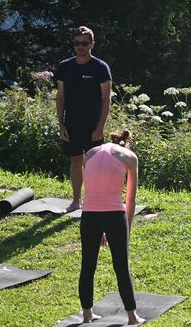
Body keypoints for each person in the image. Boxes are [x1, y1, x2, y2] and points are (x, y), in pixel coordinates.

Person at [78, 128, 143, 325]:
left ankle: (87, 314)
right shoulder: (130, 157)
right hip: (114, 214)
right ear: (126, 143)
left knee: (87, 265)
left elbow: (89, 190)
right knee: (121, 267)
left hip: (89, 215)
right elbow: (130, 199)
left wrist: (100, 228)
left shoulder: (90, 154)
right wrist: (127, 229)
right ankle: (132, 317)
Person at [56, 26, 113, 213]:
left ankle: (94, 201)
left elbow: (106, 99)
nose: (80, 47)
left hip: (93, 125)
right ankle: (76, 201)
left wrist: (100, 127)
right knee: (75, 161)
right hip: (71, 123)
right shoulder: (65, 67)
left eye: (84, 43)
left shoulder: (101, 67)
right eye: (77, 43)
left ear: (92, 45)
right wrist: (61, 124)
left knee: (94, 165)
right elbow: (60, 97)